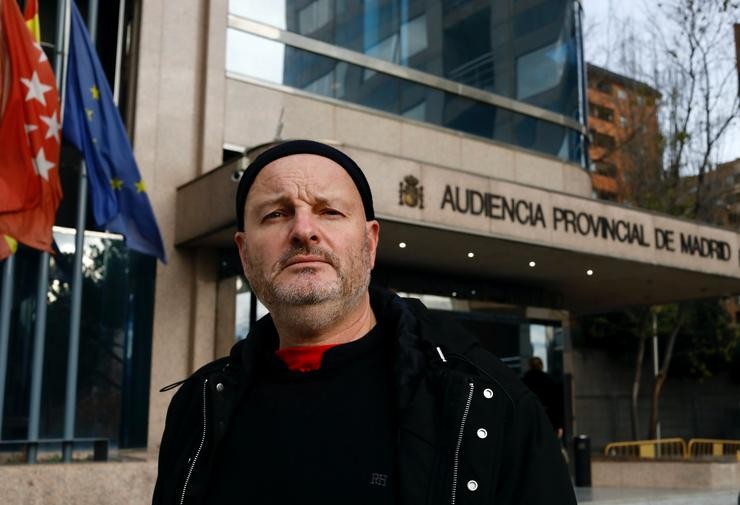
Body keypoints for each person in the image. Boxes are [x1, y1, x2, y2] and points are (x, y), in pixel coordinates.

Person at [152, 140, 576, 505]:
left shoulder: (488, 406)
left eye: (330, 211)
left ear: (371, 243)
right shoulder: (198, 408)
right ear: (244, 254)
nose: (303, 230)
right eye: (276, 214)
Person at [522, 356, 565, 439]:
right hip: (547, 419)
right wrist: (559, 425)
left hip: (529, 420)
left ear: (529, 366)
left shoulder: (523, 382)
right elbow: (556, 405)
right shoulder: (549, 381)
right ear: (541, 366)